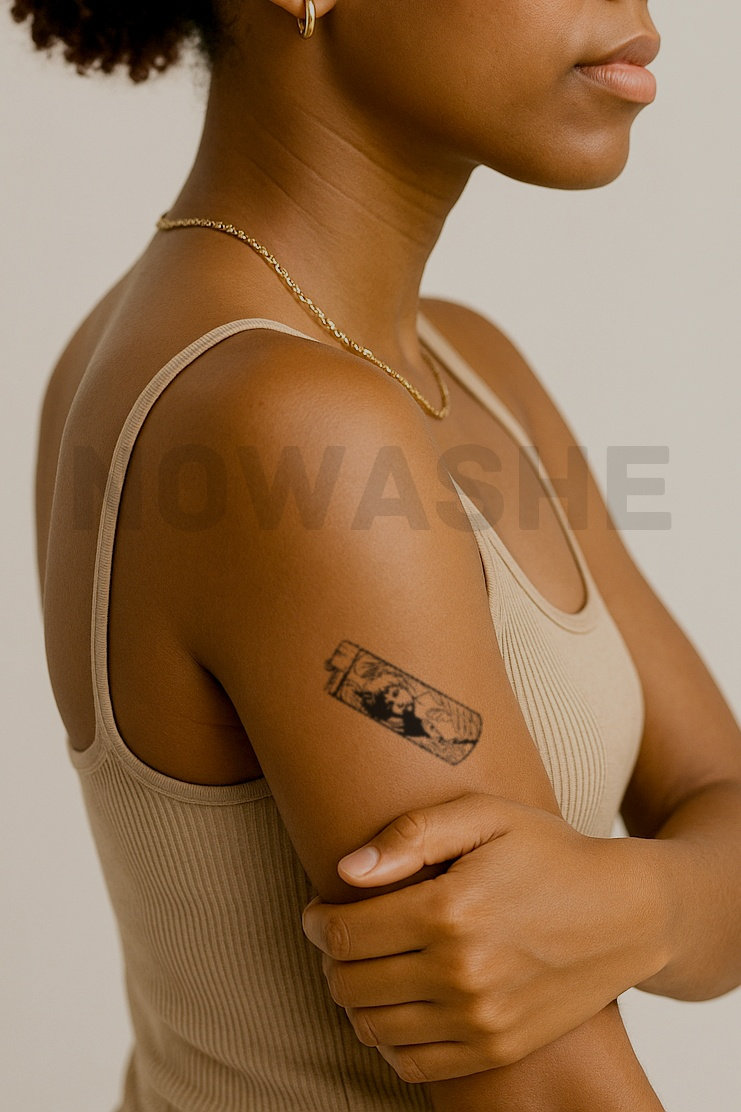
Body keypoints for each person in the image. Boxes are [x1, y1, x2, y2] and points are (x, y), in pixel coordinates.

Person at [24, 1, 741, 1110]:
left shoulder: (455, 362)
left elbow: (717, 788)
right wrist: (674, 899)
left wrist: (639, 904)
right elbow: (557, 1090)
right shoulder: (286, 423)